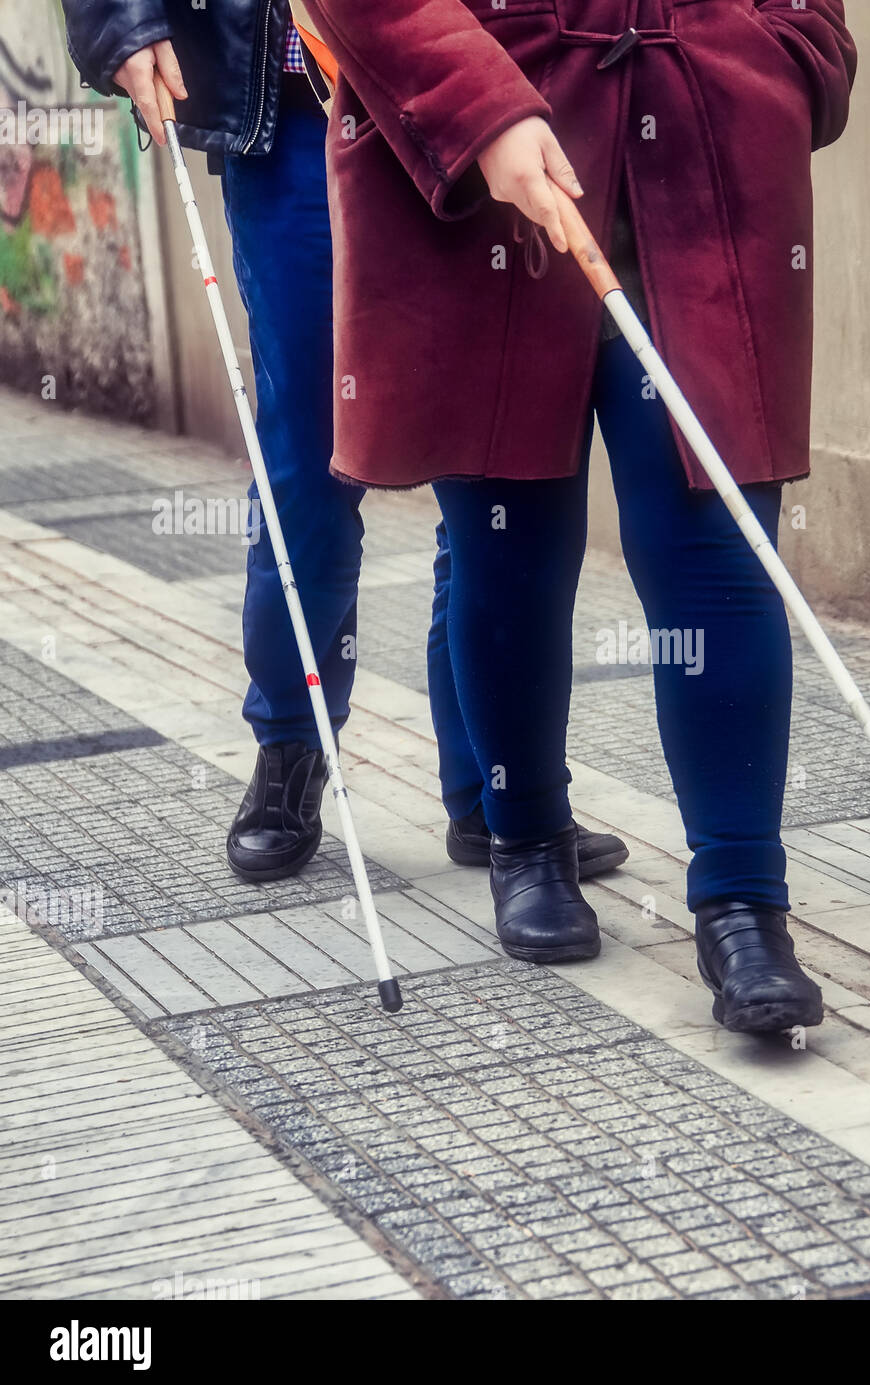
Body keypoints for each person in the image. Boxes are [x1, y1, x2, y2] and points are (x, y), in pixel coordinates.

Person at [294, 0, 856, 1034]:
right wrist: (479, 110)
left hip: (704, 178)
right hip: (482, 203)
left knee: (720, 553)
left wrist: (785, 54)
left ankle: (742, 902)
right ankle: (526, 837)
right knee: (511, 554)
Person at [59, 1, 627, 883]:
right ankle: (289, 746)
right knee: (306, 461)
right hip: (291, 117)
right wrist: (122, 23)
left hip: (458, 98)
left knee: (481, 450)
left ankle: (496, 788)